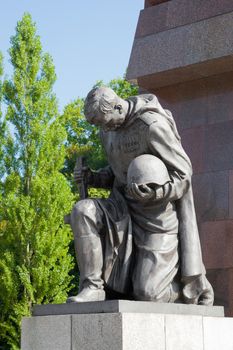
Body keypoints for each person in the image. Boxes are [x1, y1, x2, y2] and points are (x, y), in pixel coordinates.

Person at [67, 86, 214, 305]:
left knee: (149, 295)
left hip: (156, 218)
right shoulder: (107, 130)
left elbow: (183, 175)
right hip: (122, 209)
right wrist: (93, 178)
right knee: (83, 210)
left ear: (118, 106)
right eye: (98, 124)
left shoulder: (152, 126)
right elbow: (118, 171)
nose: (103, 128)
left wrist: (157, 192)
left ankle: (182, 291)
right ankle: (93, 286)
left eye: (104, 121)